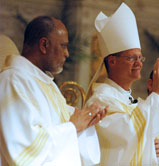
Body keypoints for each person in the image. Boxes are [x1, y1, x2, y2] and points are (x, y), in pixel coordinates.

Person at [0, 16, 107, 166]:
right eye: (63, 46)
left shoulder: (46, 83)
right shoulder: (13, 80)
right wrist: (73, 127)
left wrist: (86, 120)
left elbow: (66, 125)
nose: (67, 54)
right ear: (44, 45)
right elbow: (24, 148)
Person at [86, 3, 159, 165]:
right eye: (132, 58)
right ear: (112, 61)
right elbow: (125, 135)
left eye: (140, 58)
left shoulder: (129, 100)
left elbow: (139, 136)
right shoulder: (101, 100)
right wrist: (156, 95)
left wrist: (153, 147)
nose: (139, 63)